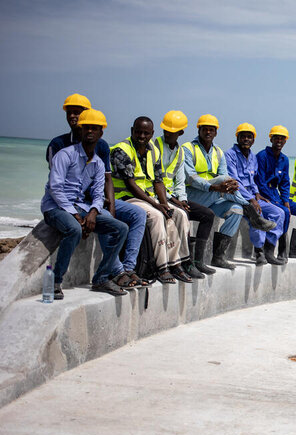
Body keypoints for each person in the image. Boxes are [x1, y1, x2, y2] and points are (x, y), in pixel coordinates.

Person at [47, 93, 148, 288]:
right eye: (70, 113)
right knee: (104, 221)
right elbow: (56, 185)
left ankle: (128, 268)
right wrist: (77, 213)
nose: (74, 117)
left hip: (93, 201)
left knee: (137, 215)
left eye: (79, 112)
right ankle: (116, 272)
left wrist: (108, 207)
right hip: (71, 203)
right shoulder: (58, 145)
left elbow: (107, 180)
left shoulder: (100, 145)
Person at [41, 108, 129, 298]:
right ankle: (56, 282)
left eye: (94, 128)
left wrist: (93, 213)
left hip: (81, 208)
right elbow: (55, 189)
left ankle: (101, 278)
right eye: (86, 128)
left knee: (120, 228)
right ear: (80, 131)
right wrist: (75, 215)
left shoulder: (98, 163)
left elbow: (98, 194)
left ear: (101, 133)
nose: (89, 131)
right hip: (55, 207)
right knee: (74, 229)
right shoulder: (65, 155)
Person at [183, 114, 275, 270]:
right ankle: (252, 212)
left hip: (213, 197)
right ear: (199, 130)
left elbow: (226, 178)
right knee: (223, 181)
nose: (208, 132)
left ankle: (218, 257)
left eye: (211, 130)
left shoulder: (218, 152)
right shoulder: (188, 148)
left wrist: (222, 186)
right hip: (193, 195)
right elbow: (191, 178)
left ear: (216, 132)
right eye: (204, 129)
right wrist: (213, 187)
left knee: (236, 210)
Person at [111, 117, 194, 284]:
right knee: (156, 216)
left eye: (146, 133)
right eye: (138, 132)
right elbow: (131, 184)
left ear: (152, 134)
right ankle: (162, 267)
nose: (142, 136)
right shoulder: (122, 150)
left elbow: (158, 181)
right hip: (127, 197)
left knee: (179, 214)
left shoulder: (153, 150)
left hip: (149, 197)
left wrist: (164, 203)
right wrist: (156, 205)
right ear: (132, 130)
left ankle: (178, 263)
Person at [154, 110, 216, 276]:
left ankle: (198, 261)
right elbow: (156, 181)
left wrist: (182, 199)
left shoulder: (180, 151)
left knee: (207, 214)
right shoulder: (155, 147)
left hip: (174, 197)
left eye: (172, 132)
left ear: (180, 133)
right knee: (182, 215)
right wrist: (173, 199)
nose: (168, 134)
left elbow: (180, 181)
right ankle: (184, 262)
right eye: (166, 130)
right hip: (157, 196)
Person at [225, 123, 286, 265]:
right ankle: (259, 251)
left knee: (279, 213)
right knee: (257, 214)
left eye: (249, 137)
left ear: (253, 140)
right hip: (238, 195)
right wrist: (252, 199)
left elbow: (252, 180)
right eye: (243, 136)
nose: (246, 139)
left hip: (252, 195)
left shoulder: (252, 156)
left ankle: (269, 249)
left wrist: (257, 194)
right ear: (238, 137)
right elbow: (235, 181)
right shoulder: (230, 155)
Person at [255, 125, 296, 260]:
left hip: (278, 196)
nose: (279, 141)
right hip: (265, 196)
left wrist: (286, 200)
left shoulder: (284, 159)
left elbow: (285, 183)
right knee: (285, 212)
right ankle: (278, 248)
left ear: (286, 141)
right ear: (271, 139)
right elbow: (261, 183)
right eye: (276, 138)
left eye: (282, 138)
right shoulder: (262, 156)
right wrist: (277, 202)